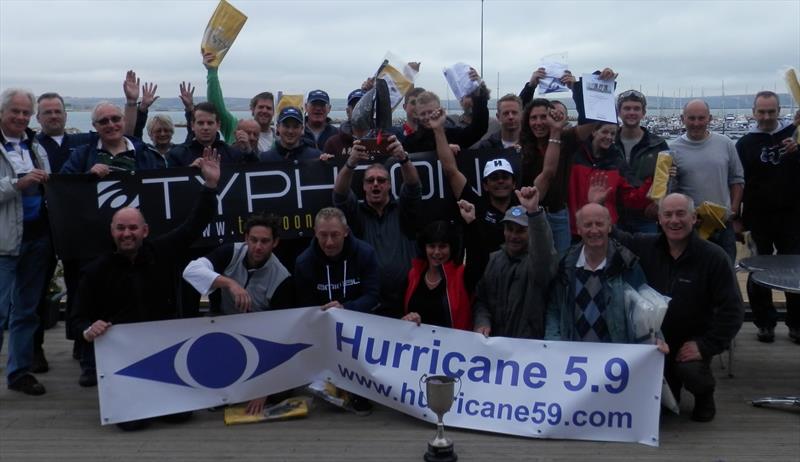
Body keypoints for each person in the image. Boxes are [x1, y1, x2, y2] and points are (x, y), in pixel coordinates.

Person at [74, 148, 220, 427]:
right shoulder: (95, 270)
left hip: (164, 349)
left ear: (145, 231)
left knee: (180, 417)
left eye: (132, 228)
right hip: (124, 357)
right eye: (120, 228)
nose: (126, 234)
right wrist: (88, 329)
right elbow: (76, 317)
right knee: (132, 424)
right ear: (112, 232)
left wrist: (210, 185)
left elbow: (193, 226)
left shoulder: (162, 251)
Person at [610, 193, 743, 422]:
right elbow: (617, 236)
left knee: (691, 372)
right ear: (659, 220)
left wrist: (705, 345)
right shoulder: (646, 245)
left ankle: (704, 396)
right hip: (655, 343)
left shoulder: (714, 257)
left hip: (692, 343)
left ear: (694, 218)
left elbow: (733, 311)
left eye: (681, 214)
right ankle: (669, 386)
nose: (674, 220)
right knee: (662, 413)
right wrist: (602, 205)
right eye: (668, 215)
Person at [183, 212, 294, 416]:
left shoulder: (282, 277)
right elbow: (190, 271)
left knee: (283, 390)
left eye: (264, 241)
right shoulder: (230, 252)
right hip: (225, 332)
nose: (258, 247)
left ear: (275, 243)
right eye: (253, 240)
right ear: (245, 238)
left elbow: (282, 336)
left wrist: (264, 390)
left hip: (261, 340)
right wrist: (229, 283)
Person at [735, 91, 799, 343]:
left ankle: (796, 324)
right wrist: (736, 217)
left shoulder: (794, 136)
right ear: (753, 112)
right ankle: (765, 323)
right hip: (756, 218)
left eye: (771, 111)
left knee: (795, 270)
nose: (766, 116)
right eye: (761, 111)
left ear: (779, 110)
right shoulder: (744, 143)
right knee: (757, 270)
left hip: (792, 217)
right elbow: (738, 182)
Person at [333, 136, 420, 317]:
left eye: (381, 180)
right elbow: (340, 194)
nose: (375, 184)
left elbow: (413, 186)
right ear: (363, 187)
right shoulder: (356, 215)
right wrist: (351, 163)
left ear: (389, 185)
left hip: (406, 301)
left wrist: (403, 158)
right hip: (368, 303)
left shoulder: (403, 210)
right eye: (370, 180)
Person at [0, 88, 51, 395]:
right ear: (2, 112)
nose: (20, 117)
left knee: (27, 311)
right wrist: (16, 184)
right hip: (4, 241)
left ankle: (19, 372)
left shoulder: (35, 145)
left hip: (36, 238)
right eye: (14, 111)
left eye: (25, 113)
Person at [472, 186, 558, 339]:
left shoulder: (538, 264)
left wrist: (534, 213)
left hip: (529, 352)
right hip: (496, 349)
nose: (513, 235)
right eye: (509, 229)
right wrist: (482, 323)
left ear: (530, 232)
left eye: (520, 230)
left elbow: (543, 251)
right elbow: (481, 300)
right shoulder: (494, 260)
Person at [670, 99, 744, 264]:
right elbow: (671, 190)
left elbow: (737, 180)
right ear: (683, 119)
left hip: (723, 225)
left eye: (701, 118)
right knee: (692, 277)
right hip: (691, 226)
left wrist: (733, 211)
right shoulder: (673, 149)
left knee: (725, 276)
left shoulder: (725, 144)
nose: (696, 123)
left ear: (710, 119)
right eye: (691, 118)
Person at [567, 122, 652, 237]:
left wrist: (652, 182)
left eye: (613, 134)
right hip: (574, 227)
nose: (609, 137)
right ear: (593, 132)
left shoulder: (616, 163)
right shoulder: (574, 156)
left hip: (605, 228)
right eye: (605, 132)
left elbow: (631, 198)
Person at [294, 207, 380, 313]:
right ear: (315, 232)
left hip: (360, 321)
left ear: (346, 231)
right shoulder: (304, 263)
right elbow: (306, 306)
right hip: (321, 323)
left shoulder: (365, 253)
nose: (329, 242)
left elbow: (372, 296)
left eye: (335, 235)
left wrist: (344, 308)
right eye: (323, 235)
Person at [401, 212, 475, 330]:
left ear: (452, 248)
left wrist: (471, 225)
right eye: (431, 246)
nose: (436, 252)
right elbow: (400, 314)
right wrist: (407, 319)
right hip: (417, 346)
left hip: (453, 347)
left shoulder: (462, 275)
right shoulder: (413, 274)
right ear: (424, 248)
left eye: (442, 246)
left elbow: (479, 258)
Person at [614, 90, 669, 233]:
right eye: (627, 108)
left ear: (643, 113)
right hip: (614, 215)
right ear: (619, 112)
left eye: (636, 108)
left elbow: (669, 177)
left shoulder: (658, 144)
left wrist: (659, 202)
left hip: (646, 217)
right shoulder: (609, 142)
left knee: (647, 255)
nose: (631, 112)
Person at [61, 102, 160, 174]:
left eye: (115, 119)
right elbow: (63, 185)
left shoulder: (145, 153)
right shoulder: (82, 154)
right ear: (95, 126)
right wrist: (89, 175)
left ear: (124, 120)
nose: (111, 125)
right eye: (104, 121)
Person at [203, 51, 275, 151]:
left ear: (273, 112)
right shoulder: (235, 127)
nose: (264, 111)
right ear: (252, 109)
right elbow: (217, 106)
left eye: (268, 108)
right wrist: (212, 72)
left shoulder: (280, 138)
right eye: (261, 107)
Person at [402, 74, 489, 154]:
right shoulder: (410, 142)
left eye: (431, 112)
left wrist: (479, 90)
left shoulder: (453, 135)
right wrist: (445, 149)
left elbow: (479, 128)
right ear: (417, 114)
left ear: (440, 110)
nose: (427, 117)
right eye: (423, 114)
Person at [168, 102, 249, 166]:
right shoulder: (177, 155)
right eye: (200, 123)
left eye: (210, 123)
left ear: (218, 125)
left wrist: (248, 150)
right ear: (192, 125)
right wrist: (190, 172)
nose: (205, 127)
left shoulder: (233, 154)